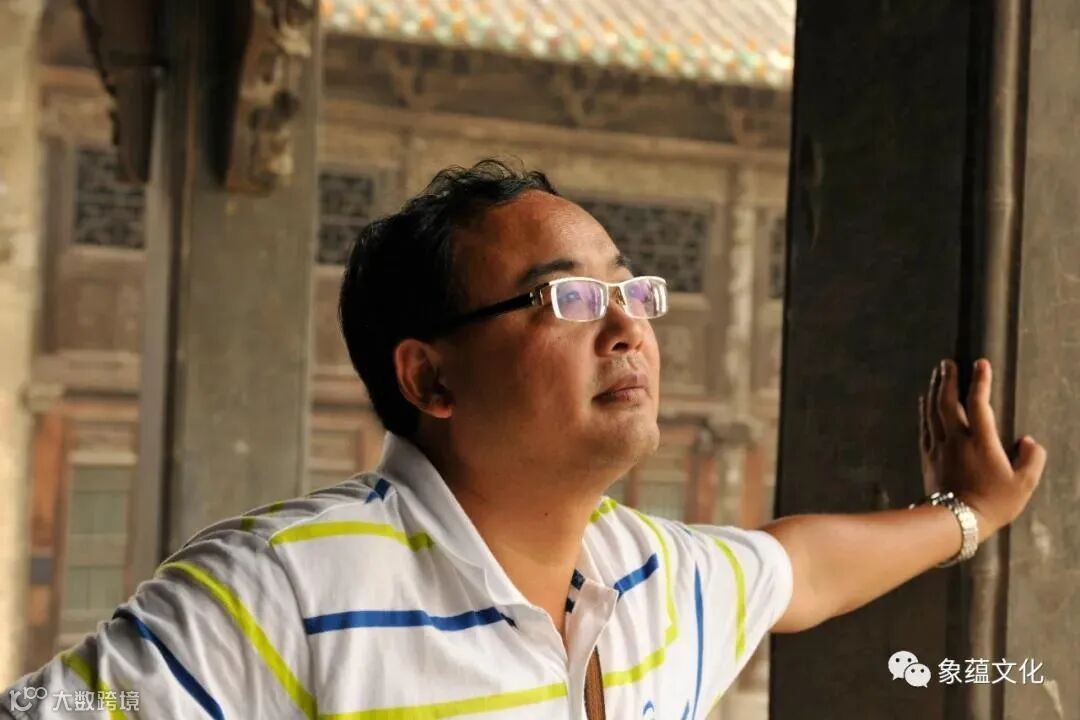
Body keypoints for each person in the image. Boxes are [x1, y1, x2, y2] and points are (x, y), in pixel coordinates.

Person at [2, 160, 1046, 720]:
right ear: (431, 377)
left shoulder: (651, 576)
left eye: (632, 288)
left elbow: (800, 570)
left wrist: (969, 514)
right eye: (567, 297)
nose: (628, 324)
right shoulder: (280, 590)